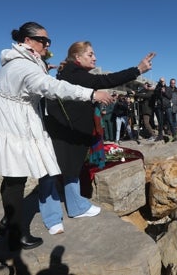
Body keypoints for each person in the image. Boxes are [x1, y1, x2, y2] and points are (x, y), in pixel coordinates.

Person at [0, 23, 113, 251]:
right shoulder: (23, 65)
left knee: (14, 176)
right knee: (16, 177)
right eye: (43, 40)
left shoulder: (20, 61)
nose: (47, 45)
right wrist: (91, 94)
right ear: (27, 40)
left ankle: (8, 221)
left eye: (48, 41)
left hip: (11, 119)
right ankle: (16, 233)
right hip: (12, 123)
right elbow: (51, 87)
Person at [41, 41, 154, 235]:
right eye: (90, 54)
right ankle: (52, 218)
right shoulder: (73, 73)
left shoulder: (73, 72)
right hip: (62, 131)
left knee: (72, 168)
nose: (95, 58)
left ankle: (76, 207)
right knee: (51, 172)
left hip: (72, 130)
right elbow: (105, 81)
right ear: (78, 57)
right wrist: (137, 69)